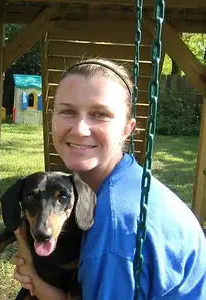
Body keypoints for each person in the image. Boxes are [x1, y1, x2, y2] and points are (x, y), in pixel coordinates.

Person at [10, 58, 206, 299]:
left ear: (127, 129)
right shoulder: (127, 178)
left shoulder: (114, 227)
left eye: (100, 114)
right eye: (68, 111)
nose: (80, 129)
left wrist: (36, 282)